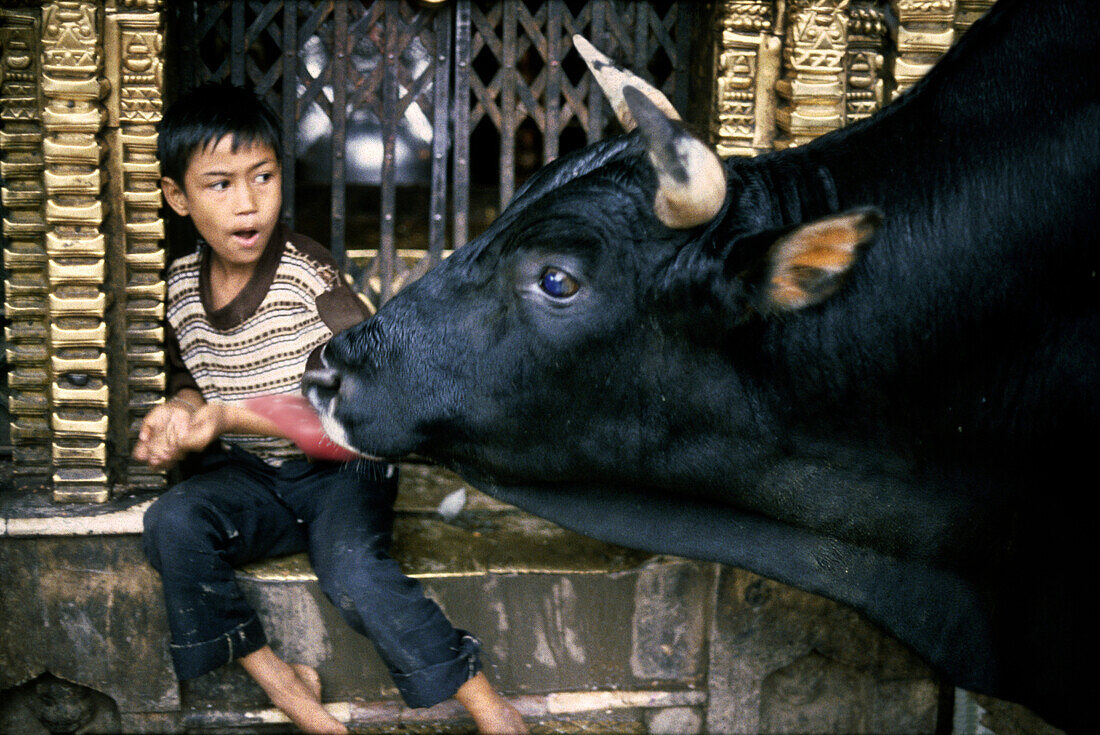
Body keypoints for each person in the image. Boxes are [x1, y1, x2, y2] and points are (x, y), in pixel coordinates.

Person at [135, 81, 527, 735]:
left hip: (344, 469)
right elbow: (190, 377)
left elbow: (364, 408)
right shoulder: (178, 287)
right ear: (177, 196)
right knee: (171, 522)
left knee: (353, 572)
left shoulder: (309, 280)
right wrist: (180, 411)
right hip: (258, 477)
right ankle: (284, 682)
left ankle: (492, 707)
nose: (248, 202)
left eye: (262, 176)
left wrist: (227, 415)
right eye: (220, 184)